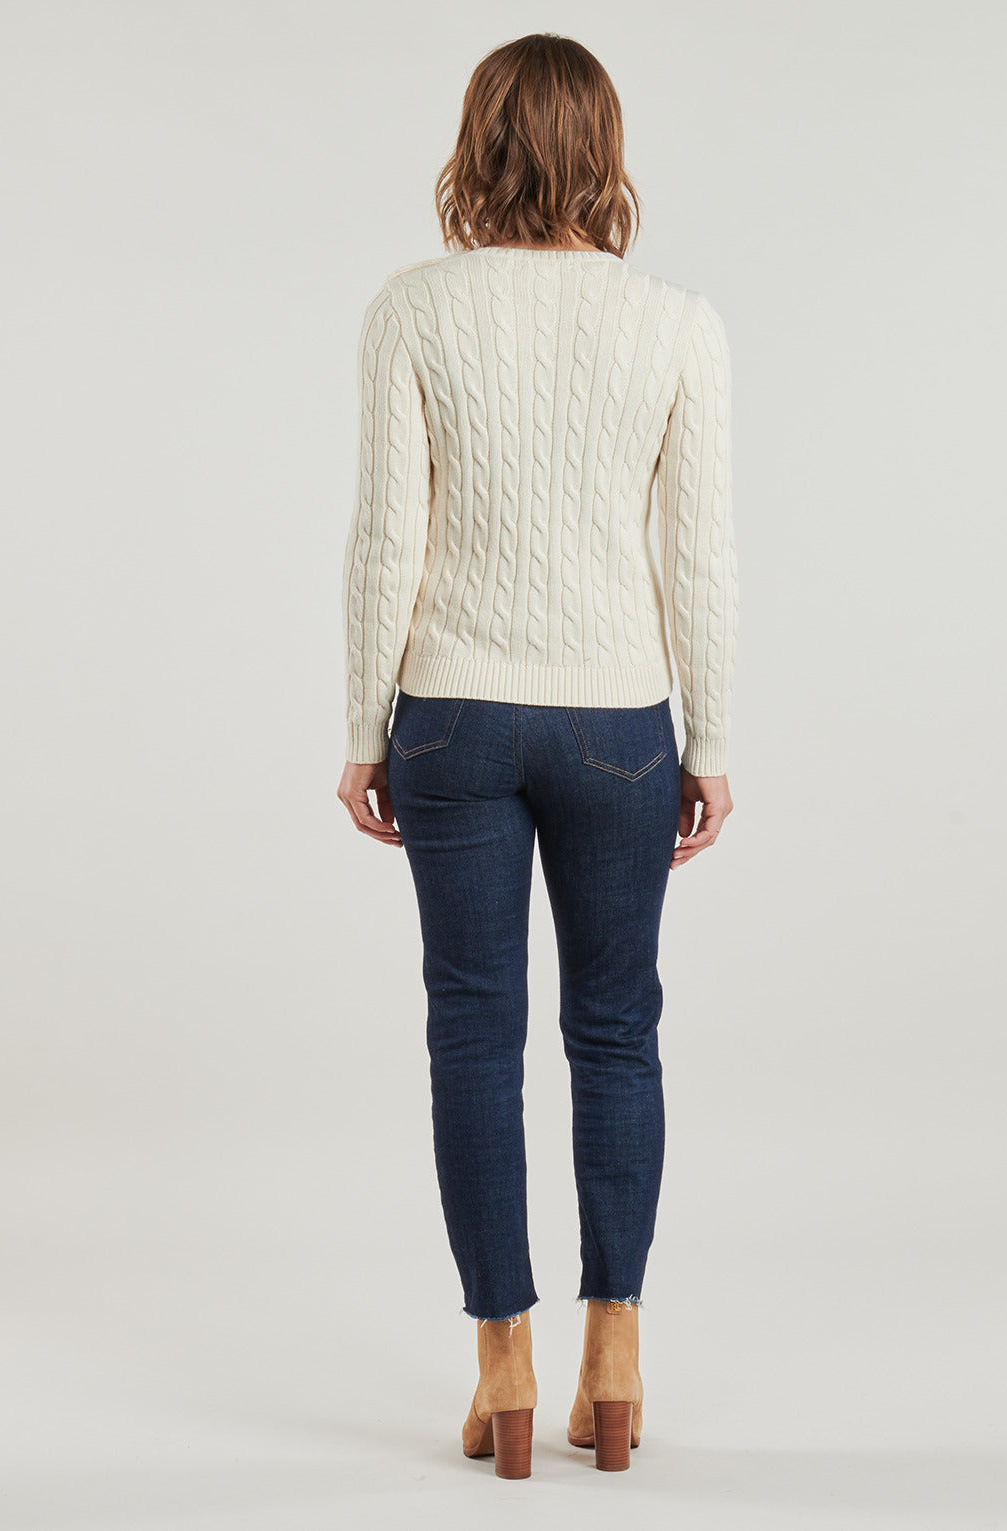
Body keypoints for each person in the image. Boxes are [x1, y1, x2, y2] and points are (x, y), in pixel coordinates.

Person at [337, 32, 738, 1479]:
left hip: (451, 715)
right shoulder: (677, 323)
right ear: (604, 151)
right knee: (616, 1030)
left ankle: (503, 1367)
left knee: (473, 1034)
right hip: (621, 725)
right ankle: (612, 1356)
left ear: (478, 143)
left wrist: (363, 728)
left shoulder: (412, 309)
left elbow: (387, 537)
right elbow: (701, 556)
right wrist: (713, 737)